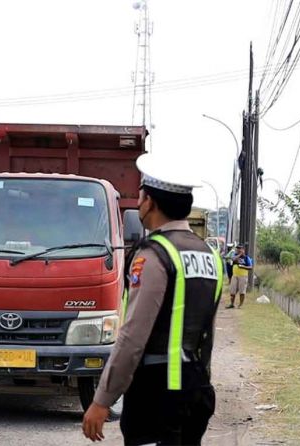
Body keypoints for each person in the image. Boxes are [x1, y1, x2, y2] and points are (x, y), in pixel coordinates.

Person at [82, 153, 224, 445]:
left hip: (157, 395)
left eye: (141, 196)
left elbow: (133, 337)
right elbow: (206, 333)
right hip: (196, 388)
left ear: (150, 202)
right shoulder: (209, 255)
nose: (139, 203)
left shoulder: (155, 255)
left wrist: (102, 400)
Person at [226, 244, 253, 309]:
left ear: (243, 250)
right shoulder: (235, 256)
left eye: (240, 249)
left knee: (242, 291)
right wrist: (239, 255)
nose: (238, 250)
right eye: (237, 249)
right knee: (232, 291)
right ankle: (232, 304)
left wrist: (243, 266)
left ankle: (240, 304)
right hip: (235, 275)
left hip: (243, 276)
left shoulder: (247, 258)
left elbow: (250, 267)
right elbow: (233, 259)